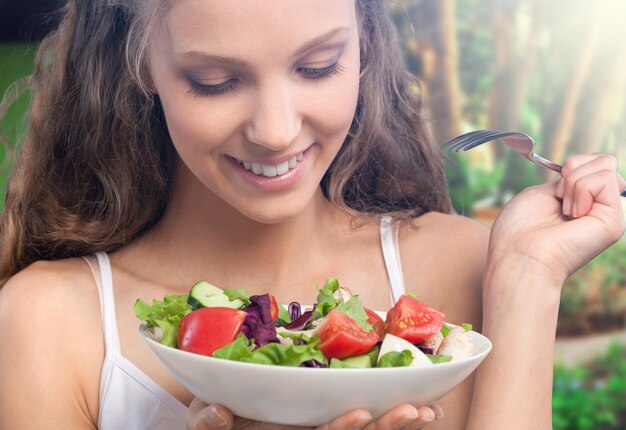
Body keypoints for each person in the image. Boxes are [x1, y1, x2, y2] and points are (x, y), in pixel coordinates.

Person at [0, 0, 624, 429]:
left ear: (364, 46)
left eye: (317, 67)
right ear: (142, 67)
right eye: (215, 81)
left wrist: (528, 281)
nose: (276, 131)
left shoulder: (461, 268)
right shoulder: (51, 322)